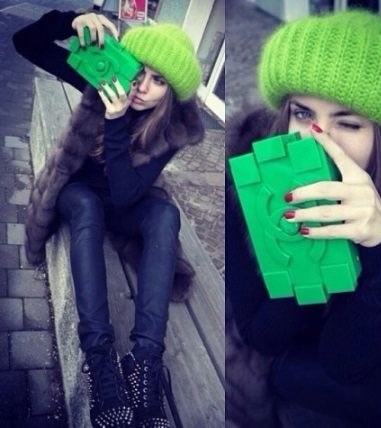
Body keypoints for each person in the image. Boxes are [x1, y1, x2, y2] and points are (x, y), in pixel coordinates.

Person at [226, 9, 381, 427]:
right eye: (303, 113)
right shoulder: (245, 180)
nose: (317, 140)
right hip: (267, 351)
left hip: (348, 328)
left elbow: (350, 346)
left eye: (347, 122)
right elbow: (266, 338)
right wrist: (307, 252)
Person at [13, 9, 203, 428]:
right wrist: (71, 22)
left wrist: (116, 124)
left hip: (123, 199)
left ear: (170, 94)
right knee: (86, 206)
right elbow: (24, 43)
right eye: (140, 72)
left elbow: (125, 195)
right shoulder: (101, 84)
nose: (142, 87)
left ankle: (145, 362)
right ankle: (99, 360)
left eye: (158, 81)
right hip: (78, 193)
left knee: (165, 214)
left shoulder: (172, 128)